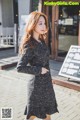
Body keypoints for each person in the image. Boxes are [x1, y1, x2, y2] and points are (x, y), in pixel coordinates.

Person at [17, 11, 58, 120]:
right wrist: (39, 70)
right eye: (40, 23)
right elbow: (20, 67)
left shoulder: (41, 40)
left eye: (44, 23)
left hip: (46, 83)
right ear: (32, 24)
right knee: (32, 115)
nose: (44, 26)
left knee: (48, 114)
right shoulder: (29, 44)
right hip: (36, 86)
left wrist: (49, 79)